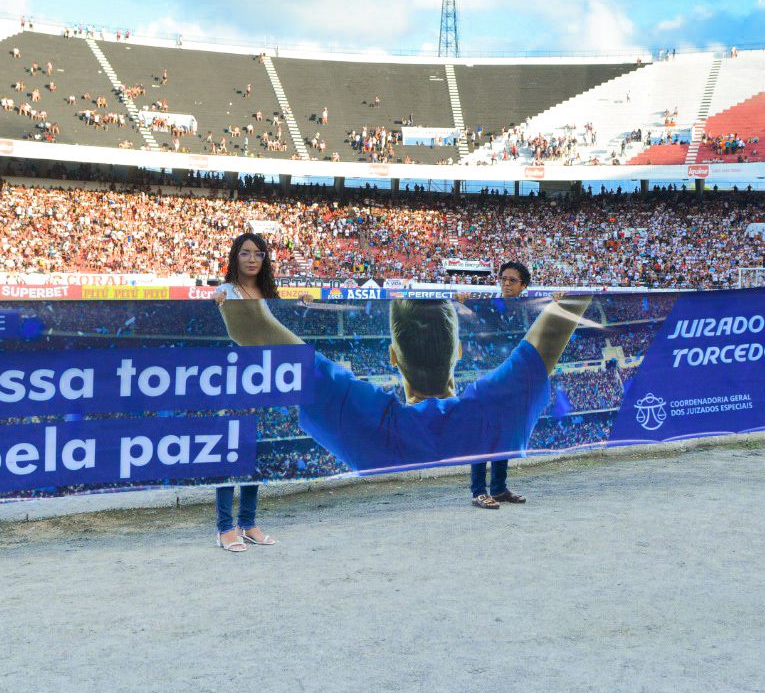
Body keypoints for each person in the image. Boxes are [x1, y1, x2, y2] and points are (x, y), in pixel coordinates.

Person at [219, 283, 592, 475]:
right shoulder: (497, 406)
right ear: (458, 353)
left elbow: (250, 325)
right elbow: (569, 309)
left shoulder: (364, 419)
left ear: (393, 357)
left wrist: (234, 287)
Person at [209, 232, 281, 553]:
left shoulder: (269, 294)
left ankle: (248, 524)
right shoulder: (224, 293)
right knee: (230, 454)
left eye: (259, 254)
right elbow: (214, 332)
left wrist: (304, 307)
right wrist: (214, 309)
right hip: (233, 383)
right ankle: (225, 528)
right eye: (245, 253)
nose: (252, 259)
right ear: (235, 257)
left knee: (253, 455)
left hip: (262, 382)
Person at [464, 261, 533, 510]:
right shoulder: (489, 306)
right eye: (503, 278)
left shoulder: (528, 309)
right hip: (486, 378)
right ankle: (478, 491)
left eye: (512, 280)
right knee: (484, 433)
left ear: (523, 285)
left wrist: (556, 302)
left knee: (504, 434)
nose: (505, 283)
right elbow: (469, 318)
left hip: (512, 382)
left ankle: (499, 488)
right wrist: (461, 302)